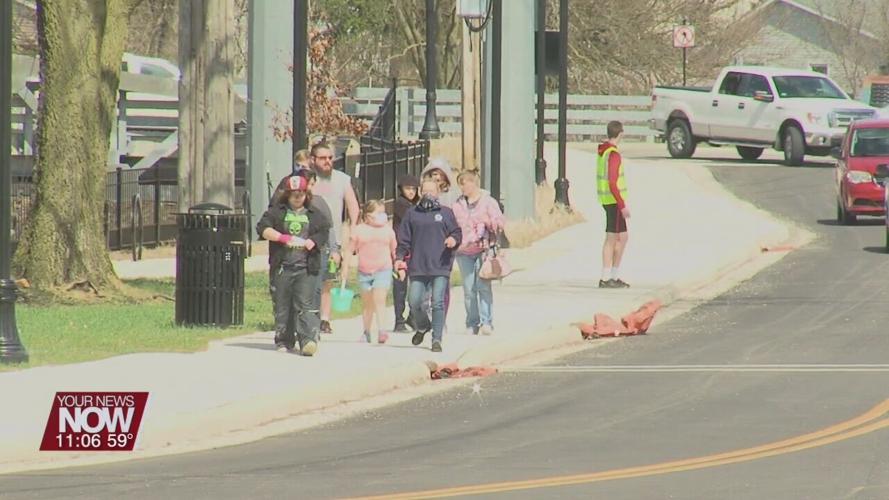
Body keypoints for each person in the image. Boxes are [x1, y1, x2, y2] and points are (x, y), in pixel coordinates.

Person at [257, 175, 332, 355]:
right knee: (282, 304)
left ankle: (307, 340)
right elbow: (262, 228)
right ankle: (284, 339)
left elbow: (324, 231)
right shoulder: (277, 212)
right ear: (287, 195)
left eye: (301, 193)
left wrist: (313, 241)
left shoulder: (315, 215)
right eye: (293, 194)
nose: (297, 197)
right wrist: (284, 238)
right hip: (283, 266)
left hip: (306, 267)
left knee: (305, 305)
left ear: (307, 194)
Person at [395, 180, 462, 352]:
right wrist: (399, 258)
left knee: (438, 302)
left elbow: (456, 232)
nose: (428, 194)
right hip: (418, 265)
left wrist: (453, 240)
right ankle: (424, 326)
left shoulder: (446, 213)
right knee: (414, 301)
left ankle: (436, 339)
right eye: (425, 191)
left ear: (438, 192)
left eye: (431, 191)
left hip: (440, 264)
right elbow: (404, 240)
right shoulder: (412, 214)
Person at [310, 142, 360, 334]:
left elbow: (353, 207)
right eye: (323, 158)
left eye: (330, 158)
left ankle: (324, 318)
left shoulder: (342, 179)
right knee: (309, 278)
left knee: (327, 280)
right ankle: (308, 315)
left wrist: (354, 230)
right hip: (310, 236)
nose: (328, 162)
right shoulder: (309, 180)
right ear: (313, 160)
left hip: (333, 239)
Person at [452, 170, 505, 336]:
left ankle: (486, 322)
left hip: (484, 249)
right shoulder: (458, 204)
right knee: (469, 288)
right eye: (460, 184)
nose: (462, 187)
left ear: (473, 183)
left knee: (483, 286)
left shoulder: (488, 202)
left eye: (465, 183)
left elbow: (500, 221)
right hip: (464, 251)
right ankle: (472, 323)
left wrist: (490, 223)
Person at [341, 199, 397, 344]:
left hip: (383, 268)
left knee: (379, 299)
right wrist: (345, 269)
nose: (382, 215)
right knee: (367, 303)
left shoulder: (388, 230)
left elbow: (395, 251)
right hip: (364, 271)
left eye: (383, 212)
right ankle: (366, 331)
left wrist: (399, 265)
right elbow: (349, 251)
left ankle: (382, 330)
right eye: (378, 212)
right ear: (368, 215)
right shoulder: (359, 230)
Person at [597, 120, 631, 289]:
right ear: (620, 134)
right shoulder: (613, 155)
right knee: (612, 238)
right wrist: (622, 205)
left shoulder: (604, 152)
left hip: (607, 200)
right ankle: (607, 277)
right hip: (613, 202)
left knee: (622, 237)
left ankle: (612, 275)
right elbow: (612, 181)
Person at [392, 174, 420, 333]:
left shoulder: (416, 204)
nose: (411, 192)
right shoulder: (401, 204)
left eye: (414, 189)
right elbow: (413, 219)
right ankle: (399, 319)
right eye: (408, 188)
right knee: (400, 286)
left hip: (415, 249)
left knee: (416, 285)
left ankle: (412, 316)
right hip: (401, 250)